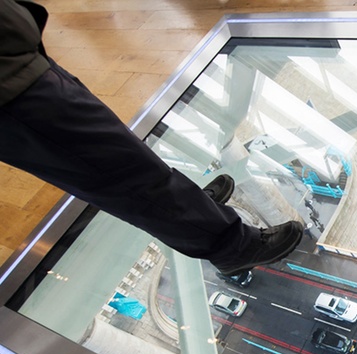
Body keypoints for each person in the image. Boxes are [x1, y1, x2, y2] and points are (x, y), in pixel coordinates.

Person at [0, 0, 303, 277]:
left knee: (122, 157)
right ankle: (230, 245)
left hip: (19, 63)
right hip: (13, 86)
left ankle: (191, 212)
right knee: (119, 171)